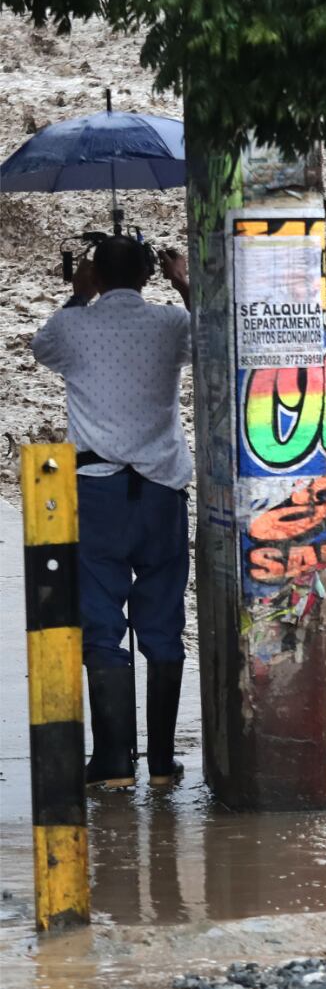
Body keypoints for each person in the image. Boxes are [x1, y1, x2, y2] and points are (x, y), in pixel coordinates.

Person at [32, 235, 193, 790]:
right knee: (163, 619)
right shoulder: (171, 324)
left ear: (95, 274)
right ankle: (163, 763)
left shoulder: (74, 328)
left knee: (102, 621)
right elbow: (215, 342)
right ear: (150, 275)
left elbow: (41, 348)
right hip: (160, 491)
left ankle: (111, 763)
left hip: (96, 493)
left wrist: (78, 295)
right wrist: (186, 284)